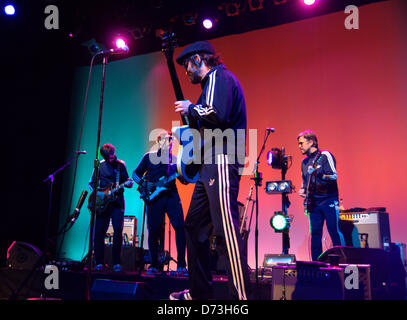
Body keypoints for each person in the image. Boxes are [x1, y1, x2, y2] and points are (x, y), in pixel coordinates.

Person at [170, 41, 250, 300]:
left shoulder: (219, 76)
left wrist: (191, 108)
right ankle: (199, 293)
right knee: (193, 226)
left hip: (222, 161)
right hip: (208, 165)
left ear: (196, 59)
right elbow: (207, 127)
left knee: (225, 228)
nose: (186, 73)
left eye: (186, 67)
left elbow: (218, 114)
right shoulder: (209, 87)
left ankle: (241, 298)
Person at [132, 131, 187, 275]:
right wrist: (146, 185)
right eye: (167, 139)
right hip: (154, 197)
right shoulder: (148, 157)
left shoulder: (175, 159)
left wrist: (187, 175)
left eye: (171, 140)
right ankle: (154, 265)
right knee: (154, 230)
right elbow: (135, 175)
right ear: (159, 141)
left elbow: (183, 180)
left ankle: (182, 265)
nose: (170, 142)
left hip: (171, 195)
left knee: (181, 227)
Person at [297, 130, 345, 261]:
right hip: (314, 202)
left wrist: (318, 173)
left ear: (311, 142)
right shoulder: (304, 162)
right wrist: (303, 191)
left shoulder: (325, 155)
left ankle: (342, 262)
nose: (299, 146)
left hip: (328, 198)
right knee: (315, 234)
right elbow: (304, 181)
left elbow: (333, 176)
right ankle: (316, 264)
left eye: (301, 143)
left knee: (333, 230)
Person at [89, 143, 133, 272]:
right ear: (104, 156)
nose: (112, 157)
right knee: (99, 232)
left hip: (117, 202)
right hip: (103, 203)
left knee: (118, 231)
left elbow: (127, 182)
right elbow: (92, 183)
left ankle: (116, 263)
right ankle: (99, 261)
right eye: (109, 156)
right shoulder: (99, 165)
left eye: (113, 154)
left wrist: (129, 184)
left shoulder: (121, 164)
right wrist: (100, 194)